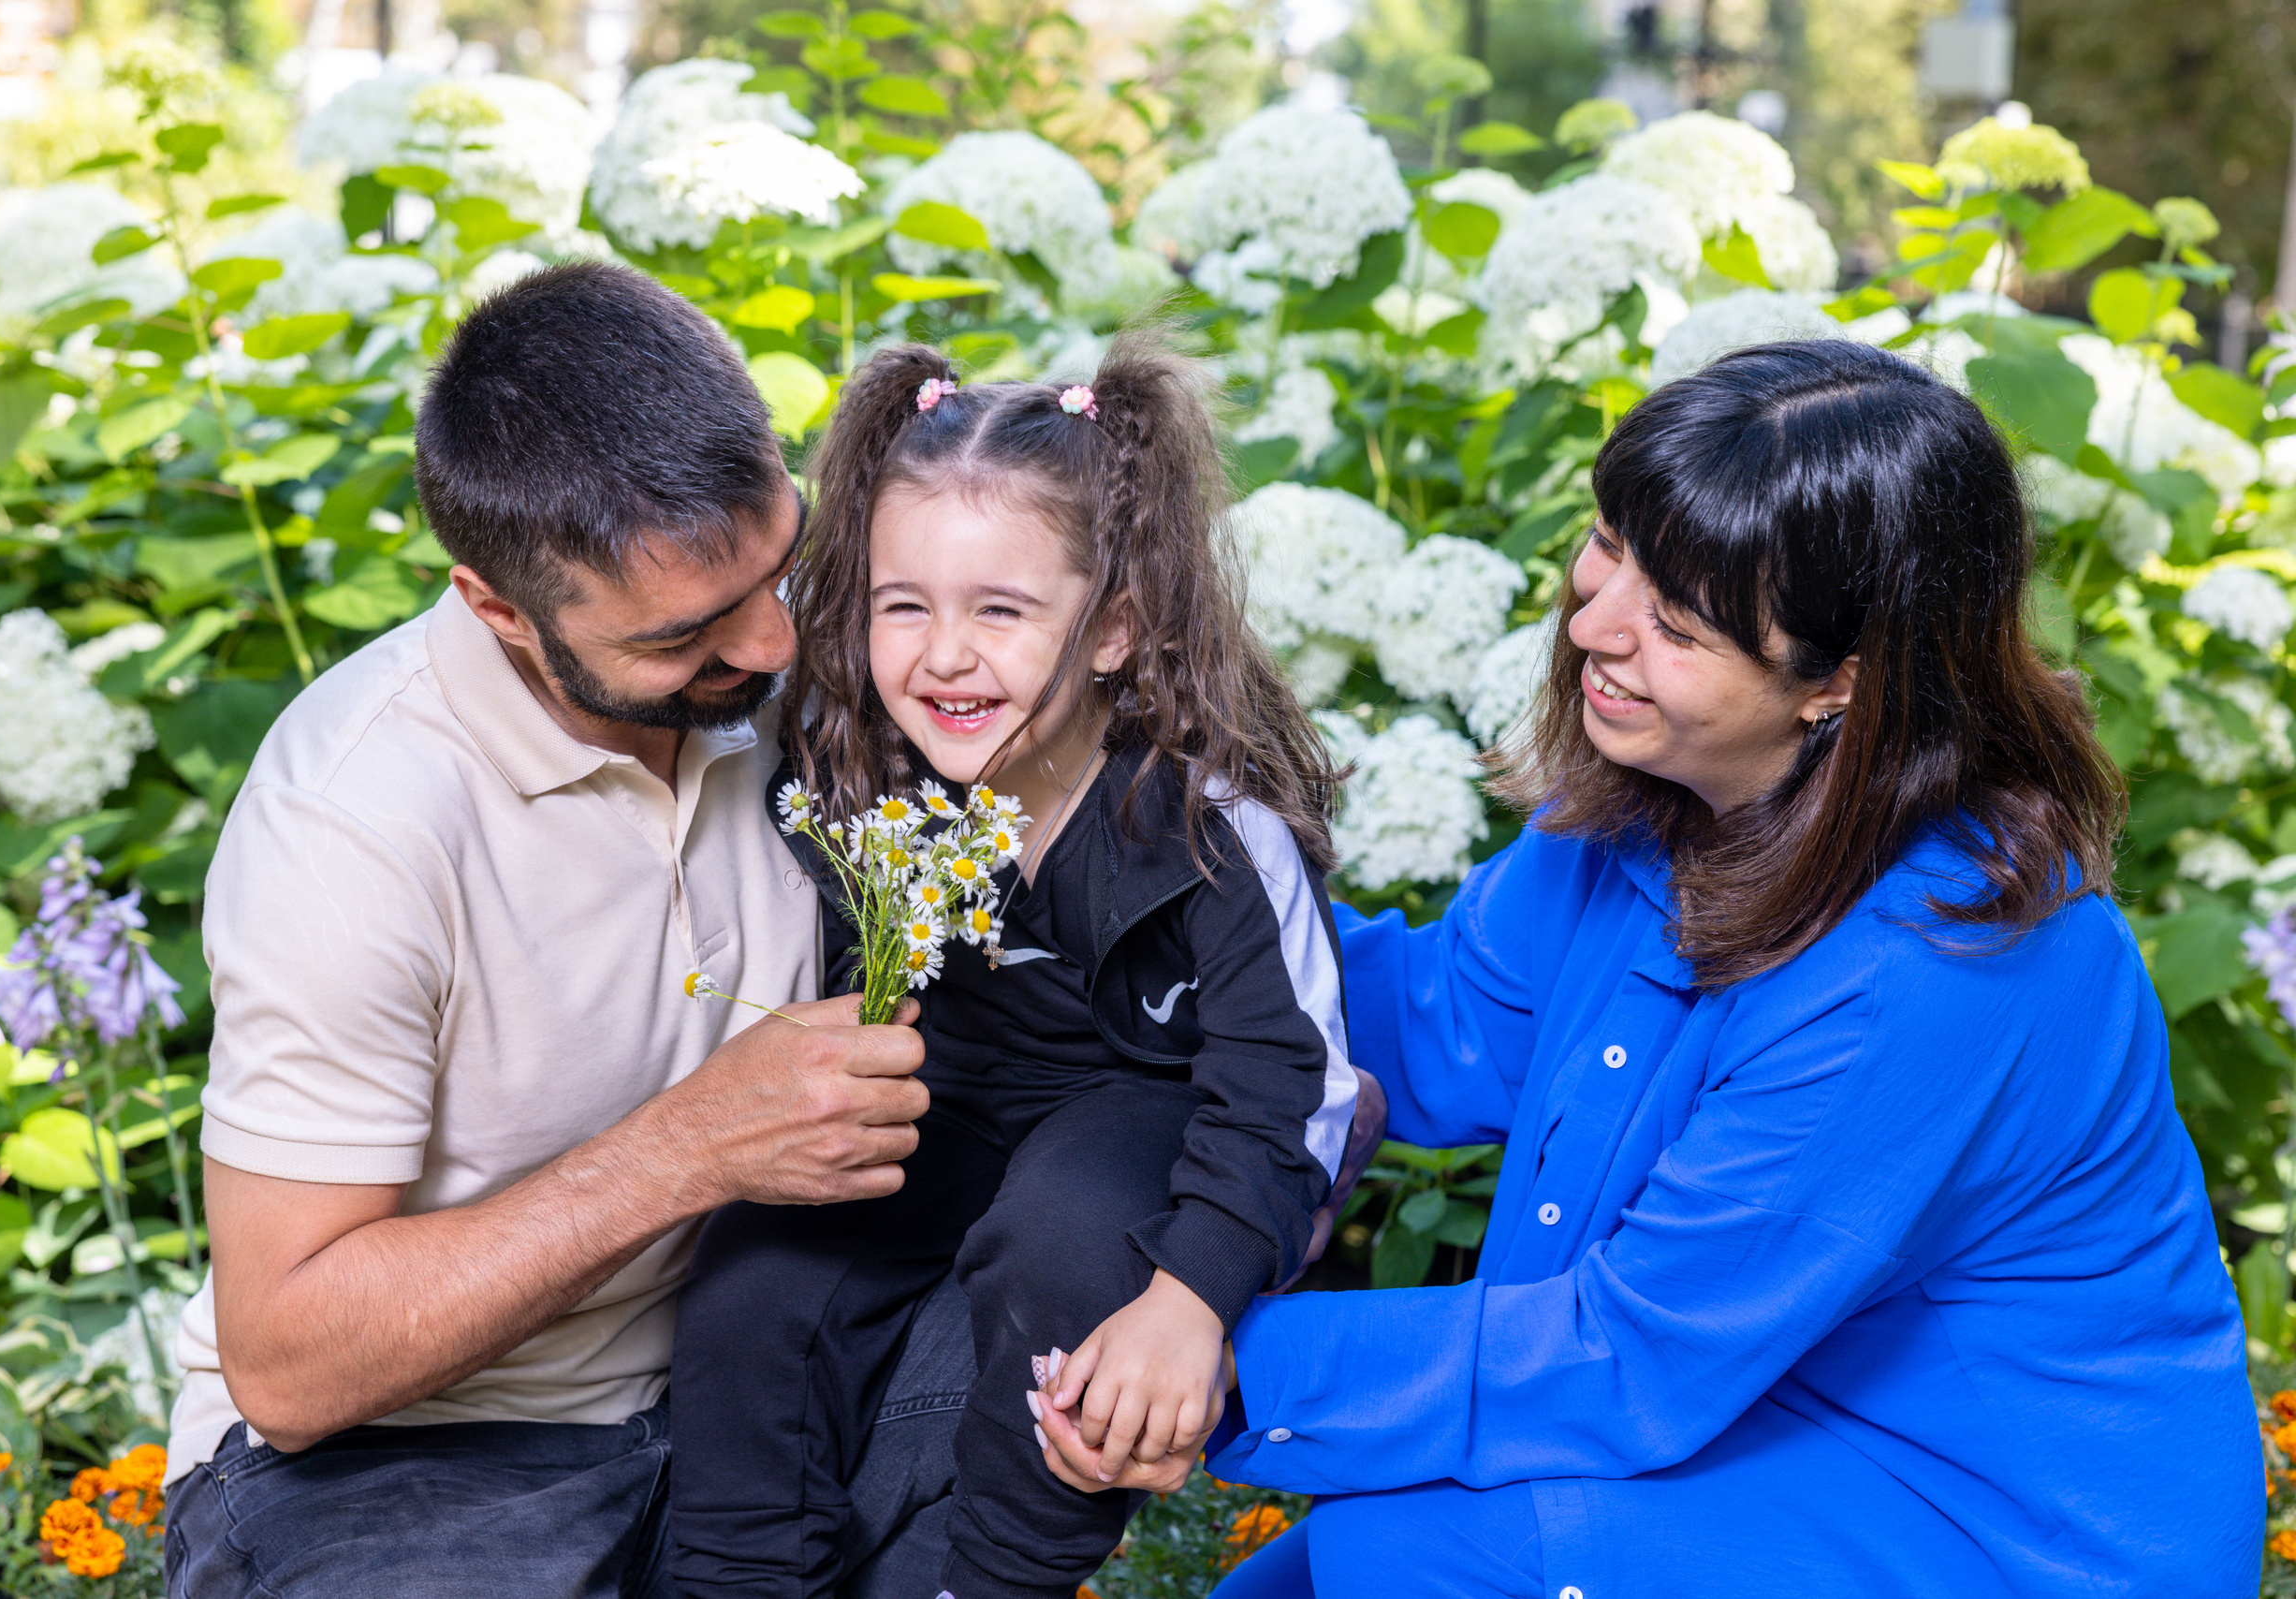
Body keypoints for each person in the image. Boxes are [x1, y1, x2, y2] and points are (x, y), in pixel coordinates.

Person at [1032, 339, 2260, 1596]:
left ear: (1842, 681)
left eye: (1675, 622)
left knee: (1401, 1560)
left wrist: (1219, 1361)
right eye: (1608, 545)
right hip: (1750, 1409)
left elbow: (1630, 1354)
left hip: (1992, 1523)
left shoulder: (1935, 965)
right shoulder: (1663, 798)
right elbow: (1440, 1018)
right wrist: (1105, 904)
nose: (1592, 624)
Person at [164, 262, 972, 1598]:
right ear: (500, 610)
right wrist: (690, 1147)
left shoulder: (796, 662)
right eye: (685, 635)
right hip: (409, 1458)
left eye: (782, 564)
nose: (775, 647)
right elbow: (288, 1364)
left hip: (765, 1376)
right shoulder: (354, 821)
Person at [667, 338, 1378, 1599]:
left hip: (1138, 1110)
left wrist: (1191, 1300)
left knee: (1061, 1243)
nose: (944, 655)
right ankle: (739, 1578)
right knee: (754, 1280)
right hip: (950, 1105)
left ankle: (991, 1577)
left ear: (1115, 628)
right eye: (904, 605)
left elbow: (1292, 1086)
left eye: (999, 611)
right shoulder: (862, 779)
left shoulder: (1207, 830)